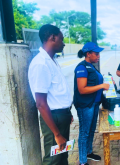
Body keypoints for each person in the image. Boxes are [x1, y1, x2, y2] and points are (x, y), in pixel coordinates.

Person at [28, 24, 73, 165]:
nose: (64, 43)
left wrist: (67, 112)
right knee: (53, 159)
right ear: (52, 38)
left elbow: (56, 93)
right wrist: (57, 134)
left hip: (62, 115)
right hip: (54, 118)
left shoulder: (51, 60)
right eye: (61, 39)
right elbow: (41, 103)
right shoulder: (41, 64)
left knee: (62, 155)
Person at [73, 42, 110, 165]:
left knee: (91, 129)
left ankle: (88, 152)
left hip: (94, 104)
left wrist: (107, 81)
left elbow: (95, 81)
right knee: (84, 132)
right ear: (88, 54)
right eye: (96, 53)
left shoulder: (92, 66)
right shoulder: (81, 67)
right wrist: (101, 86)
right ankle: (83, 161)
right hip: (85, 105)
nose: (98, 56)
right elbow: (82, 89)